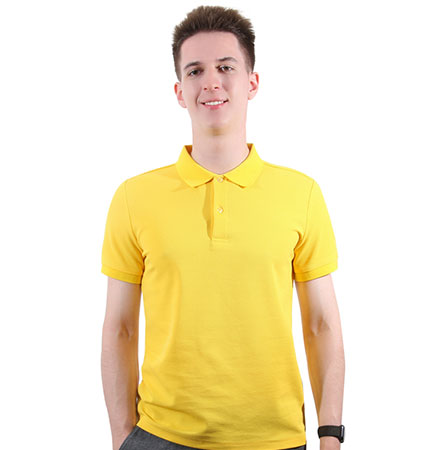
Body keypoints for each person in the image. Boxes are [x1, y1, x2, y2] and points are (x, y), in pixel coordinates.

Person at [101, 5, 345, 450]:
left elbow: (321, 323)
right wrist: (122, 437)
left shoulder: (301, 193)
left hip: (275, 439)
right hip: (160, 436)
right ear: (180, 91)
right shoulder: (134, 198)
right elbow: (120, 328)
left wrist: (330, 433)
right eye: (195, 71)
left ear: (252, 82)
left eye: (226, 67)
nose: (211, 82)